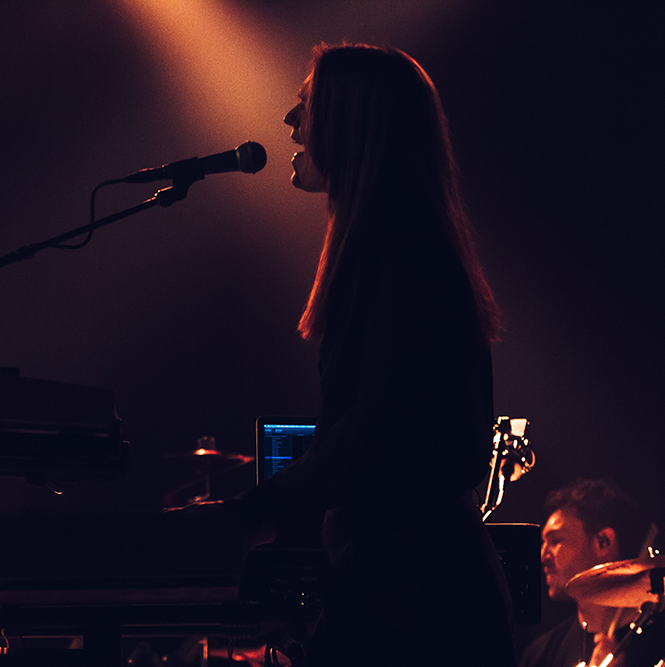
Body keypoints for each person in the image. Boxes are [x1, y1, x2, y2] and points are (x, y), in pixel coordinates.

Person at [220, 42, 516, 665]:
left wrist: (250, 515)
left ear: (353, 121)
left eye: (306, 105)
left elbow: (371, 434)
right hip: (416, 588)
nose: (289, 122)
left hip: (415, 603)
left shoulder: (394, 249)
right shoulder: (406, 242)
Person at [519, 479, 662, 667]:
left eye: (556, 541)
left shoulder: (659, 643)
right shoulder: (539, 656)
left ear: (603, 542)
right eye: (543, 543)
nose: (543, 555)